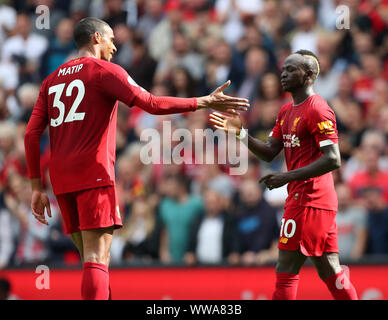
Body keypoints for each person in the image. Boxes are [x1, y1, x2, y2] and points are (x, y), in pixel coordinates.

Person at [23, 17, 249, 300]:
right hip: (93, 172)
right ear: (96, 38)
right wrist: (201, 101)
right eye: (111, 39)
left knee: (91, 260)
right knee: (97, 255)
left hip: (61, 178)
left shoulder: (51, 80)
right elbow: (151, 103)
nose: (115, 47)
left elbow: (31, 134)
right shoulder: (105, 71)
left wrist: (35, 186)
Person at [209, 49, 358, 300]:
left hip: (310, 199)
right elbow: (269, 152)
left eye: (291, 70)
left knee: (286, 268)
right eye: (283, 70)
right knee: (329, 269)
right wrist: (241, 133)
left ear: (309, 74)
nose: (284, 74)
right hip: (308, 199)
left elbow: (333, 159)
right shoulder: (286, 111)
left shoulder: (318, 109)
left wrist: (287, 177)